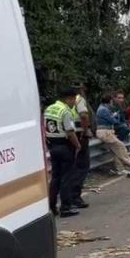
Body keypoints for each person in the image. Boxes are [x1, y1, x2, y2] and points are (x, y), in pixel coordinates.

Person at [44, 87, 81, 217]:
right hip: (64, 146)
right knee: (66, 178)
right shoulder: (65, 111)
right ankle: (66, 207)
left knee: (55, 178)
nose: (74, 103)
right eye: (74, 100)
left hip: (52, 146)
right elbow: (70, 131)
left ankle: (52, 207)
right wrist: (77, 145)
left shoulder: (49, 109)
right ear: (68, 98)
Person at [69, 83, 95, 209]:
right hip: (79, 135)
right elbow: (84, 115)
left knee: (73, 166)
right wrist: (86, 130)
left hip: (69, 136)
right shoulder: (79, 99)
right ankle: (75, 196)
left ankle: (67, 197)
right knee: (82, 165)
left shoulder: (62, 102)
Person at [96, 92, 130, 174]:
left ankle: (120, 169)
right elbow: (113, 121)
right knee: (120, 146)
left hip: (107, 132)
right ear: (109, 101)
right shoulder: (103, 110)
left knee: (116, 150)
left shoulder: (103, 108)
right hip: (105, 132)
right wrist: (115, 116)